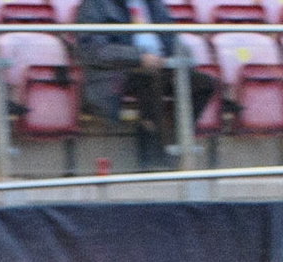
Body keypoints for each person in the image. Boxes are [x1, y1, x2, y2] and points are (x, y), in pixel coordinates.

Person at [74, 0, 216, 170]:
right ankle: (153, 160)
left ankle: (176, 143)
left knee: (204, 84)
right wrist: (138, 57)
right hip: (117, 72)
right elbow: (93, 50)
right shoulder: (95, 5)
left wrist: (181, 58)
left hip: (161, 66)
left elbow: (172, 37)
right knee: (149, 78)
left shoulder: (153, 4)